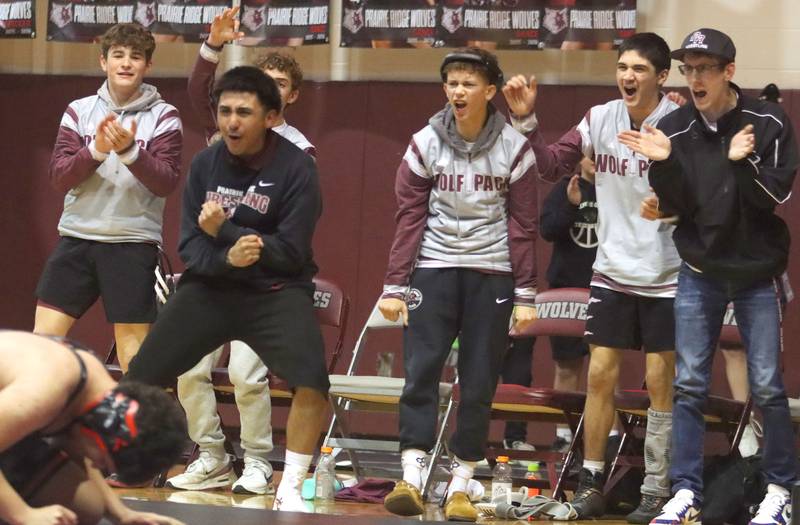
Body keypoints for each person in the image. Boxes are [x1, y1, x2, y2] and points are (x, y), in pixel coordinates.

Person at [126, 65, 327, 514]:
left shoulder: (297, 168)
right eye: (225, 111)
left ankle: (291, 486)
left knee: (313, 382)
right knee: (139, 376)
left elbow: (291, 252)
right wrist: (227, 257)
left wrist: (230, 232)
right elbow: (190, 246)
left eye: (243, 113)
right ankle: (109, 463)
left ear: (270, 117)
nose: (232, 122)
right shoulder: (205, 164)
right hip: (211, 286)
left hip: (276, 290)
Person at [618, 28, 798, 525]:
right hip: (700, 270)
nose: (694, 79)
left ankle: (779, 491)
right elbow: (679, 205)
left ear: (728, 72)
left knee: (767, 386)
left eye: (704, 69)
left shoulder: (768, 121)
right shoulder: (674, 128)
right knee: (690, 385)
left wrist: (742, 163)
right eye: (688, 69)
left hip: (756, 272)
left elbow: (773, 197)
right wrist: (664, 166)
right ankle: (685, 493)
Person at [503, 32, 680, 523]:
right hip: (612, 270)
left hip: (668, 272)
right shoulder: (599, 118)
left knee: (660, 381)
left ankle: (656, 487)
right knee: (600, 375)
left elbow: (703, 192)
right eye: (622, 67)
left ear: (662, 77)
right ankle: (592, 481)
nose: (628, 76)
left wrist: (672, 205)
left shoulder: (680, 122)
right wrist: (526, 121)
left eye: (639, 69)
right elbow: (549, 165)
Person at [379, 47, 538, 522]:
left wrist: (526, 294)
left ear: (490, 91)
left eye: (468, 83)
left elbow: (523, 225)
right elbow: (408, 217)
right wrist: (394, 285)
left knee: (479, 379)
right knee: (421, 370)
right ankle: (411, 475)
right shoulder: (424, 142)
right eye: (451, 82)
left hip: (492, 271)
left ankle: (461, 483)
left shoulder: (515, 147)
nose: (458, 91)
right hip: (434, 267)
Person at [163, 8, 315, 496]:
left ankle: (258, 461)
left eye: (278, 84)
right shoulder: (229, 126)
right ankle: (211, 455)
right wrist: (213, 45)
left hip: (263, 280)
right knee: (189, 368)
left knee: (248, 374)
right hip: (213, 274)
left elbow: (286, 233)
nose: (266, 90)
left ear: (288, 97)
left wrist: (230, 230)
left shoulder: (297, 152)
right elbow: (198, 91)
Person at [33, 23, 183, 373]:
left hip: (132, 242)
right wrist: (96, 150)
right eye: (118, 55)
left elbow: (165, 182)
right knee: (42, 342)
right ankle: (42, 408)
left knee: (134, 355)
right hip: (77, 237)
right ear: (104, 62)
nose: (126, 63)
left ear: (148, 65)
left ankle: (135, 411)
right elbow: (60, 177)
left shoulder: (164, 116)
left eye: (135, 56)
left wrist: (130, 151)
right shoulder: (79, 110)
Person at [0, 331, 186, 525]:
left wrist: (122, 514)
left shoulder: (94, 387)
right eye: (103, 461)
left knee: (88, 505)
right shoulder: (43, 391)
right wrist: (23, 515)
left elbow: (80, 442)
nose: (97, 466)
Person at [539, 156, 597, 449]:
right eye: (591, 154)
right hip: (567, 285)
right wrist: (571, 205)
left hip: (605, 286)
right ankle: (563, 435)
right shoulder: (565, 187)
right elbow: (548, 230)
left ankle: (606, 437)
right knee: (566, 365)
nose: (596, 160)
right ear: (581, 157)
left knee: (603, 367)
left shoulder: (618, 188)